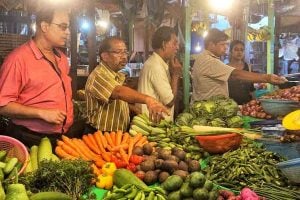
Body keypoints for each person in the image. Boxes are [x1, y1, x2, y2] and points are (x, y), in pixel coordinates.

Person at [0, 6, 74, 147]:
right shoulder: (18, 59)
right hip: (29, 138)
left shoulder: (62, 58)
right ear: (44, 26)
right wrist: (41, 113)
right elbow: (3, 105)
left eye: (68, 27)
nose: (68, 33)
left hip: (61, 136)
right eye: (63, 27)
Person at [85, 36, 169, 132]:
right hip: (99, 135)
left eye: (125, 52)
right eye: (118, 52)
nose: (124, 56)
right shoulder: (99, 75)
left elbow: (116, 101)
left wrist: (134, 109)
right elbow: (118, 92)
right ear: (105, 56)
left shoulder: (116, 74)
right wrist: (148, 100)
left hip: (117, 135)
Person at [191, 28, 287, 102]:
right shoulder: (209, 61)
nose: (225, 48)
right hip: (207, 111)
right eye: (222, 44)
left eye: (226, 44)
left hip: (210, 108)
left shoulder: (204, 58)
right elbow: (235, 74)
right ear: (211, 44)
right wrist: (267, 78)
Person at [138, 26, 182, 121]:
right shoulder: (156, 66)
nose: (177, 47)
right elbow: (169, 101)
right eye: (175, 43)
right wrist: (175, 75)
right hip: (154, 125)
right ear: (164, 44)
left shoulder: (158, 63)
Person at [228, 40, 255, 105]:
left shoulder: (249, 67)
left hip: (247, 104)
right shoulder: (226, 68)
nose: (239, 52)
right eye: (236, 49)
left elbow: (251, 88)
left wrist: (254, 102)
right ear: (231, 51)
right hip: (230, 105)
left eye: (242, 50)